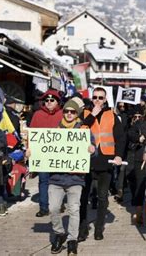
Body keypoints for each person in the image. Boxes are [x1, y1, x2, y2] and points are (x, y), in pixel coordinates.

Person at [39, 99, 95, 255]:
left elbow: (94, 150)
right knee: (53, 208)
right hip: (56, 179)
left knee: (74, 210)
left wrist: (92, 149)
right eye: (66, 111)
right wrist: (32, 153)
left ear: (77, 113)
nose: (69, 114)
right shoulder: (55, 131)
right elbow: (44, 150)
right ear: (63, 112)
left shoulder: (84, 131)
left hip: (75, 179)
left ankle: (72, 239)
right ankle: (59, 233)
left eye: (72, 112)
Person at [82, 88, 126, 240]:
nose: (97, 100)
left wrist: (119, 155)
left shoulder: (112, 115)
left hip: (105, 160)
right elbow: (79, 131)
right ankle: (83, 228)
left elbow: (120, 137)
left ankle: (98, 228)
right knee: (84, 197)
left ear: (105, 99)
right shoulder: (86, 114)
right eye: (95, 97)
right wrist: (92, 115)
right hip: (87, 160)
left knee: (102, 197)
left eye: (101, 98)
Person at [30, 89, 63, 217]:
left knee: (57, 181)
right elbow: (32, 134)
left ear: (57, 102)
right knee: (43, 181)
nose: (49, 102)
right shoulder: (37, 115)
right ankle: (43, 207)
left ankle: (57, 205)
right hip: (42, 156)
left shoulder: (62, 114)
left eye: (52, 100)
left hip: (58, 155)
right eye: (47, 100)